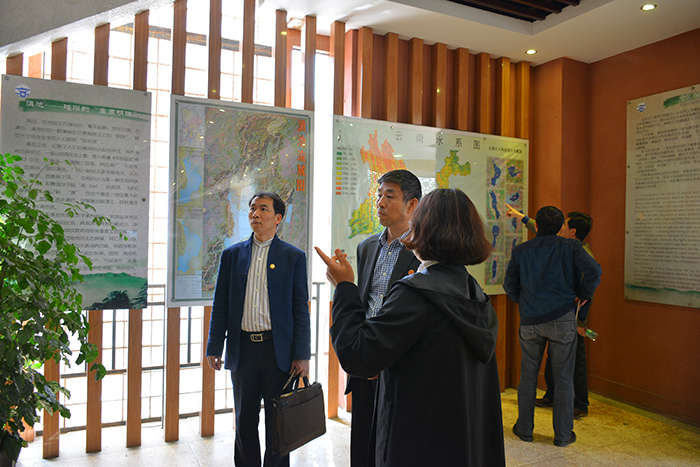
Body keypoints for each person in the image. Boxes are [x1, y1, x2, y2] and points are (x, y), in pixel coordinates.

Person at [317, 188, 506, 467]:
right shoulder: (473, 291)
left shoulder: (415, 293)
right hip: (460, 436)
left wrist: (344, 287)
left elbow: (358, 356)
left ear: (425, 230)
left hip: (417, 435)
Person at [205, 192, 311, 467]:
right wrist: (214, 346)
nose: (255, 213)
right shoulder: (232, 255)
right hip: (243, 350)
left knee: (278, 422)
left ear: (278, 218)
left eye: (263, 209)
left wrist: (302, 355)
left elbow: (300, 309)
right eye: (252, 208)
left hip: (278, 352)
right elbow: (221, 304)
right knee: (244, 420)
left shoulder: (293, 257)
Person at [504, 206, 601, 448]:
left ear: (536, 226)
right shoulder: (572, 247)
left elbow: (509, 285)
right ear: (560, 228)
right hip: (562, 318)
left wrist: (523, 302)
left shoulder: (521, 250)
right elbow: (594, 271)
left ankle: (524, 429)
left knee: (528, 376)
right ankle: (563, 435)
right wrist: (582, 294)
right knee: (564, 378)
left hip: (530, 321)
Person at [348, 169, 422, 467]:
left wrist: (386, 356)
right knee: (362, 439)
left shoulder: (423, 251)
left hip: (400, 365)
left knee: (394, 443)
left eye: (389, 196)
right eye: (379, 195)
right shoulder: (366, 247)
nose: (380, 202)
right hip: (365, 360)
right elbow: (364, 302)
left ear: (412, 204)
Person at [537, 212, 596, 420]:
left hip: (572, 318)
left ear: (572, 231)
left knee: (576, 360)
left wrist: (581, 322)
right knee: (553, 355)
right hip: (558, 313)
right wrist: (521, 217)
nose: (560, 228)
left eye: (564, 225)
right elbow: (543, 232)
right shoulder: (566, 247)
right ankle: (552, 394)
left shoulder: (583, 256)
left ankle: (580, 404)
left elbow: (587, 293)